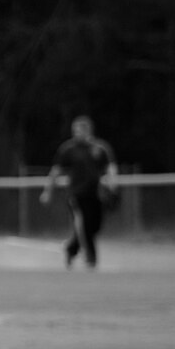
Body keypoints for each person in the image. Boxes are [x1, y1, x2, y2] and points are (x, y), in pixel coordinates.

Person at [41, 115, 117, 269]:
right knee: (83, 224)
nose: (76, 133)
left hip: (95, 194)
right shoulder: (68, 149)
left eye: (79, 130)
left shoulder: (100, 148)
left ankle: (71, 249)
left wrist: (112, 184)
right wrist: (47, 191)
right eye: (74, 130)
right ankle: (91, 258)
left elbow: (110, 167)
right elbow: (56, 171)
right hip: (76, 193)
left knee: (94, 226)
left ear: (88, 130)